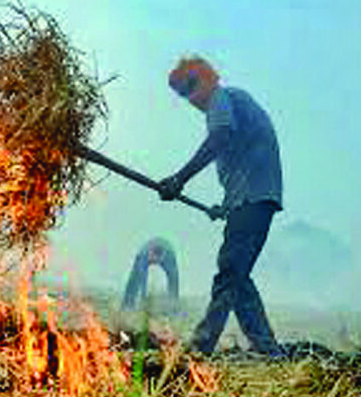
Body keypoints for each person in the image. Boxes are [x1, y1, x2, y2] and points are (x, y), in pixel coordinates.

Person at [158, 56, 284, 356]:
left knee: (229, 271)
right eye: (182, 93)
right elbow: (245, 158)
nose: (190, 97)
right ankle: (268, 349)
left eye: (191, 85)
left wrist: (180, 178)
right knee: (237, 276)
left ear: (208, 77)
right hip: (251, 199)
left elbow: (221, 137)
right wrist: (226, 207)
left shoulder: (221, 98)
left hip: (254, 199)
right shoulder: (234, 101)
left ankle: (200, 348)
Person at [121, 237, 179, 312]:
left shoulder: (170, 257)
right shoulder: (143, 255)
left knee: (174, 280)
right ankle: (127, 305)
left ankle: (173, 308)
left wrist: (173, 302)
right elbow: (142, 279)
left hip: (167, 252)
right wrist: (144, 300)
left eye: (155, 260)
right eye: (151, 259)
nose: (153, 262)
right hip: (143, 253)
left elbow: (174, 280)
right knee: (134, 279)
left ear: (161, 257)